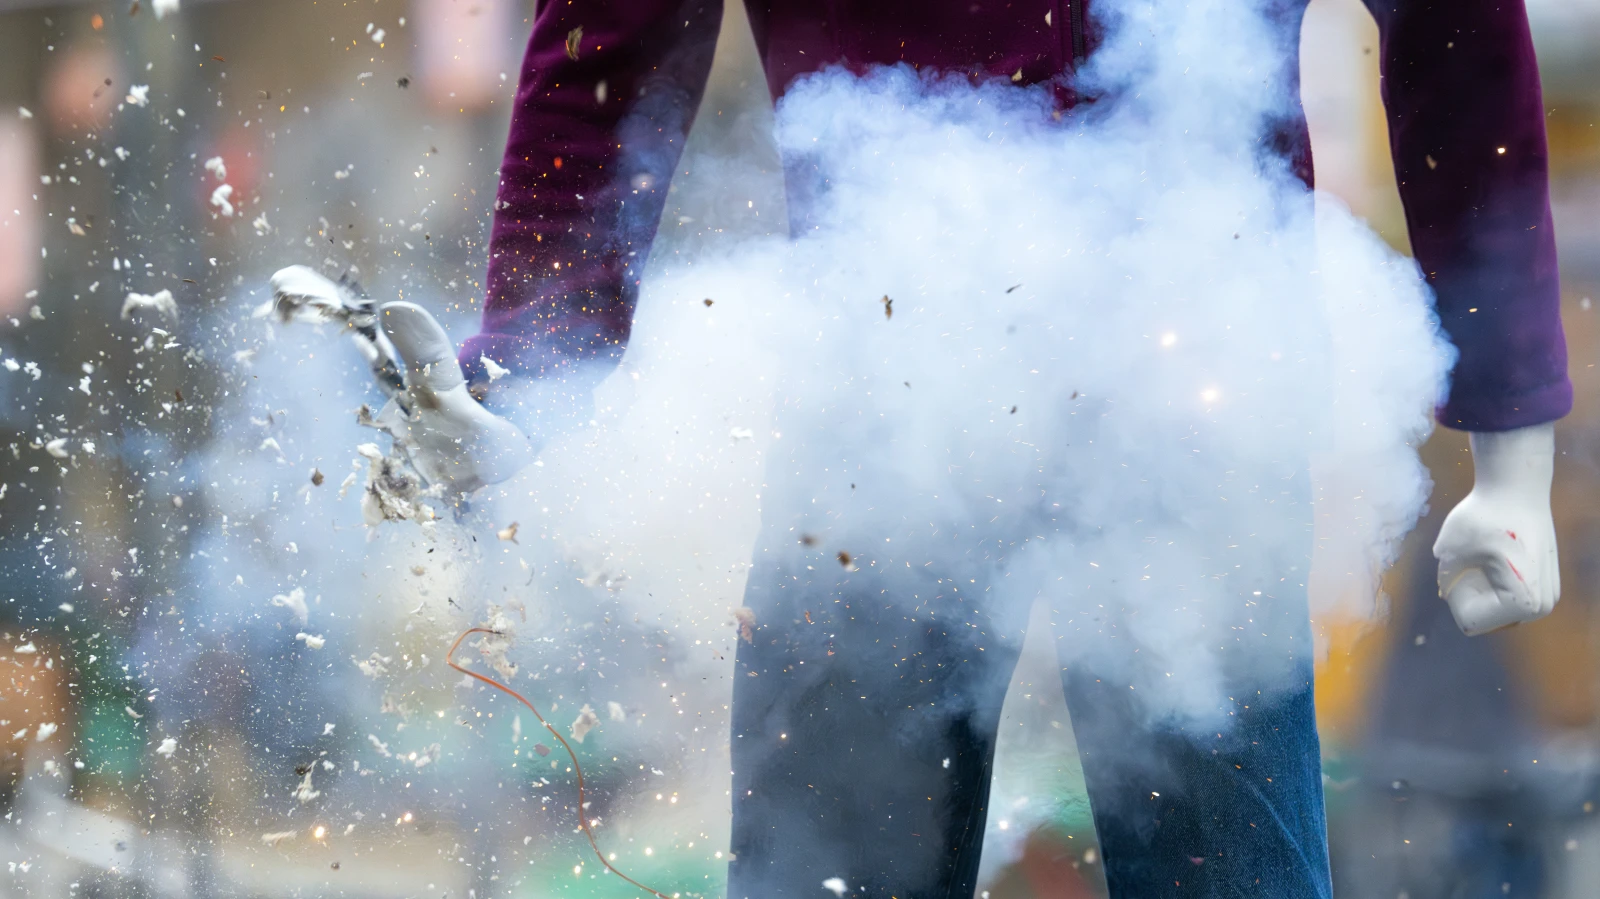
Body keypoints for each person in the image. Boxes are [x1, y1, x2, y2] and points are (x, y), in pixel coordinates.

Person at [279, 1, 1570, 895]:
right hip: (891, 402)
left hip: (1187, 408)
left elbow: (1457, 37)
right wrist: (530, 357)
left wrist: (1515, 434)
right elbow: (611, 40)